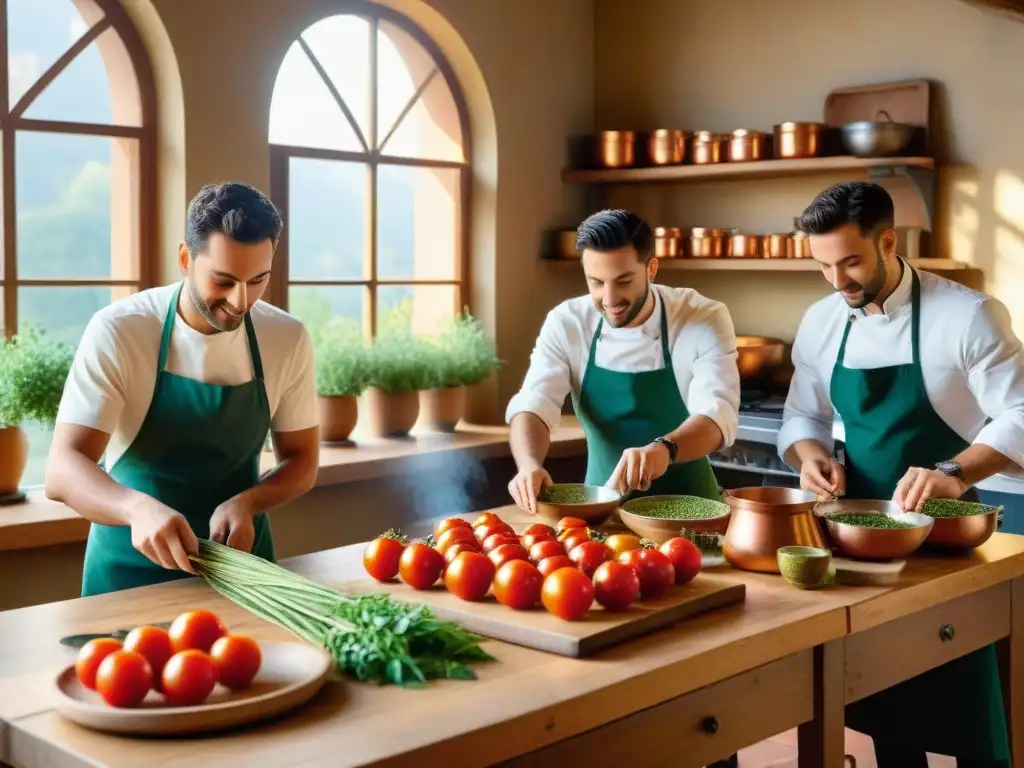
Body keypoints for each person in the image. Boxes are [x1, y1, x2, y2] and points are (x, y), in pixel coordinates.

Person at [779, 181, 1024, 767]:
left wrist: (955, 472)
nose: (837, 281)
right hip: (866, 536)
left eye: (850, 262)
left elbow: (1020, 411)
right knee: (887, 695)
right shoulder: (821, 321)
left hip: (956, 537)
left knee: (973, 700)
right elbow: (802, 415)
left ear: (888, 240)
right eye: (821, 266)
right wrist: (809, 454)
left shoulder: (967, 315)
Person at [45, 181, 321, 598]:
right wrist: (134, 508)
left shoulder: (286, 337)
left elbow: (303, 459)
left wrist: (248, 502)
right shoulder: (121, 330)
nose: (240, 300)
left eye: (258, 280)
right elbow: (62, 470)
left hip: (244, 577)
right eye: (223, 281)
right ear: (185, 259)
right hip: (129, 577)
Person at [505, 208, 740, 513]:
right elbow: (535, 402)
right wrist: (528, 465)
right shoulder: (567, 322)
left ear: (651, 269)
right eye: (596, 282)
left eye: (624, 280)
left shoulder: (702, 317)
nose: (609, 298)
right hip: (602, 509)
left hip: (693, 512)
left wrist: (664, 449)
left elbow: (717, 416)